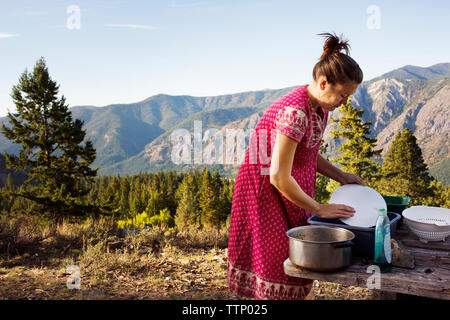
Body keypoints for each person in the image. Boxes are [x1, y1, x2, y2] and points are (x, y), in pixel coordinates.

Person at [227, 32, 366, 300]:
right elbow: (278, 176)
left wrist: (341, 176)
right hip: (265, 191)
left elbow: (308, 153)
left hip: (290, 185)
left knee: (297, 260)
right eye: (343, 95)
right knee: (278, 264)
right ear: (324, 83)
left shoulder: (320, 109)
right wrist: (319, 209)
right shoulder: (295, 112)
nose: (345, 102)